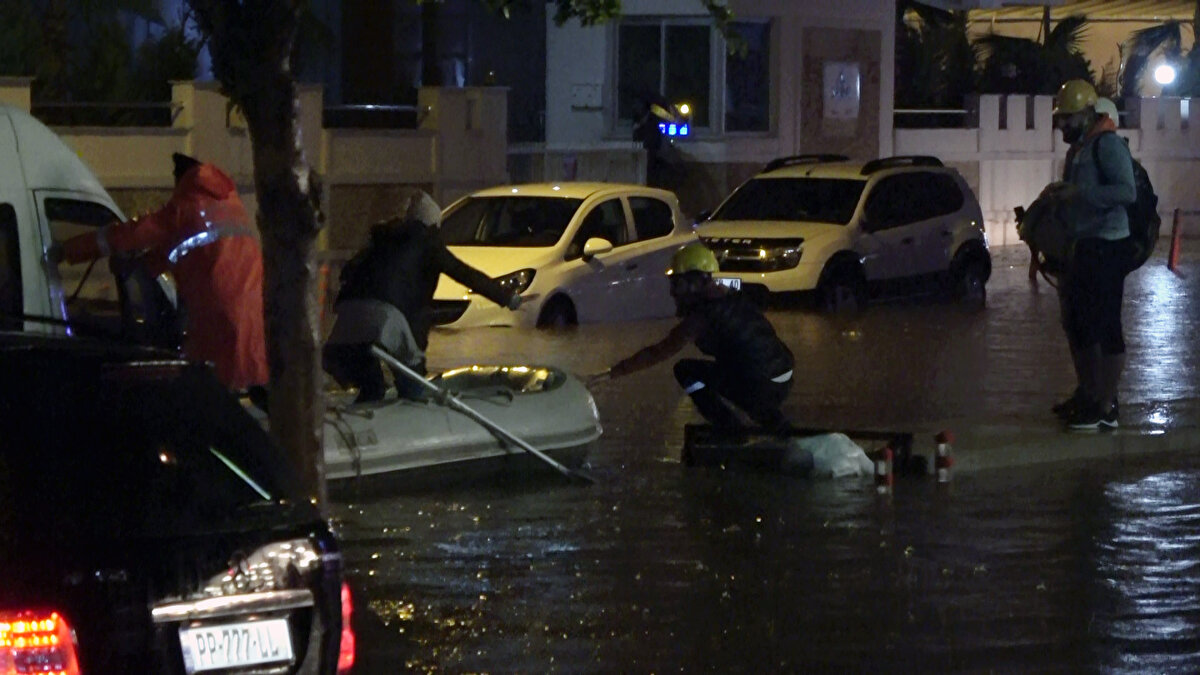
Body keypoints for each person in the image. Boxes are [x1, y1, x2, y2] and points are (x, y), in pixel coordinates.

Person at [59, 152, 268, 392]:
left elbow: (131, 234)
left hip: (217, 317)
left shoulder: (186, 206)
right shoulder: (230, 203)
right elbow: (187, 248)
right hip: (255, 313)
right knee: (248, 390)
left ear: (182, 178)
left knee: (209, 396)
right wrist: (143, 265)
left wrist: (68, 250)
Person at [322, 188, 521, 403]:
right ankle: (413, 416)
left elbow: (348, 275)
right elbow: (466, 274)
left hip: (346, 318)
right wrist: (507, 297)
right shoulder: (429, 244)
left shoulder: (382, 241)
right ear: (433, 225)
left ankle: (366, 419)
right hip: (389, 320)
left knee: (372, 386)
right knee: (413, 385)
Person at [587, 242, 794, 432]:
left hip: (761, 384)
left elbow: (658, 352)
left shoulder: (700, 318)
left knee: (685, 370)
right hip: (783, 375)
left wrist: (611, 373)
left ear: (694, 282)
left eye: (677, 285)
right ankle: (774, 422)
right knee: (737, 369)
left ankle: (729, 427)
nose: (672, 293)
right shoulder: (731, 294)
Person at [1046, 80, 1137, 430]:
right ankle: (1087, 394)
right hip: (1081, 245)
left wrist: (1080, 194)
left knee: (1105, 325)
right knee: (1078, 323)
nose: (1062, 126)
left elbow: (1125, 191)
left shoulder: (1108, 146)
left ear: (1087, 114)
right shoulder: (1079, 150)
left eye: (1068, 118)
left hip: (1107, 245)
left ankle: (1106, 404)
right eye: (1060, 119)